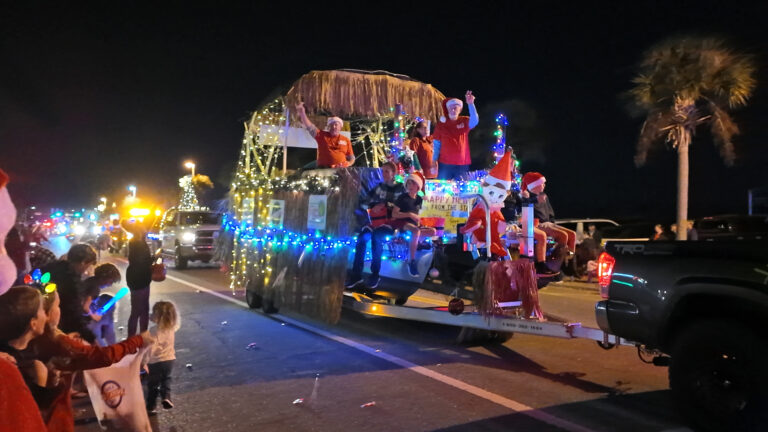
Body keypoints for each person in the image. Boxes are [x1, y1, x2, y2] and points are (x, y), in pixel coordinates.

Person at [10, 284, 150, 432]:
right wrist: (138, 340)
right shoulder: (56, 341)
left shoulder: (23, 345)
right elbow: (100, 356)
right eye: (57, 306)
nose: (60, 310)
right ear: (44, 316)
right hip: (52, 423)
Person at [346, 162, 405, 289]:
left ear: (394, 174)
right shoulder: (378, 187)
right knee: (362, 238)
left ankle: (375, 274)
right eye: (382, 171)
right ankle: (356, 274)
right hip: (375, 222)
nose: (384, 174)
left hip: (390, 223)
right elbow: (364, 203)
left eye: (387, 171)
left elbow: (402, 207)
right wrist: (373, 206)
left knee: (376, 237)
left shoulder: (400, 188)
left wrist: (385, 205)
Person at [41, 243, 98, 342]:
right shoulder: (72, 283)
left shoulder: (49, 268)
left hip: (38, 318)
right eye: (88, 266)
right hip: (56, 326)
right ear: (83, 262)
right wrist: (90, 338)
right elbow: (74, 315)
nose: (86, 270)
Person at [521, 172, 574, 275]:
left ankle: (568, 258)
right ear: (535, 185)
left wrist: (551, 222)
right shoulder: (527, 196)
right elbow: (524, 210)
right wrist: (535, 200)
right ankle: (552, 264)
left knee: (572, 235)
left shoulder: (544, 197)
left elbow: (550, 213)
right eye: (542, 183)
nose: (544, 185)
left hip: (547, 224)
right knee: (563, 235)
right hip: (536, 224)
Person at [392, 172, 434, 277]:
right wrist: (409, 215)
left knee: (433, 231)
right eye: (409, 184)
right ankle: (411, 261)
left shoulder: (419, 200)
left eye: (413, 184)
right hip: (403, 223)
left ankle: (415, 243)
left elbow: (422, 214)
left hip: (416, 225)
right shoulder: (402, 197)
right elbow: (394, 213)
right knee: (416, 231)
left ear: (418, 186)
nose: (410, 186)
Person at [143, 301, 180, 414]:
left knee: (153, 384)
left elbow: (152, 349)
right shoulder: (171, 328)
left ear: (158, 316)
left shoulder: (154, 331)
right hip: (169, 359)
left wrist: (144, 361)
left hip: (155, 361)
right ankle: (166, 397)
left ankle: (151, 406)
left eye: (153, 313)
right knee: (166, 379)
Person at [432, 91, 479, 180]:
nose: (453, 109)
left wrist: (471, 104)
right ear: (448, 109)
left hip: (462, 164)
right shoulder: (441, 124)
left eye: (456, 107)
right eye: (451, 107)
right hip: (444, 164)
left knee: (462, 191)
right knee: (442, 191)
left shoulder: (464, 121)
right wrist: (434, 161)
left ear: (460, 109)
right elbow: (436, 144)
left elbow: (475, 121)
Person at [296, 101, 355, 169]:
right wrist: (302, 113)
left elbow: (351, 157)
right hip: (323, 169)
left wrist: (349, 163)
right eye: (331, 125)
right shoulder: (321, 135)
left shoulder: (346, 140)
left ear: (340, 127)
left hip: (341, 170)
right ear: (329, 127)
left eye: (336, 124)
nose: (334, 127)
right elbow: (310, 127)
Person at [124, 219, 153, 336]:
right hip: (138, 278)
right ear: (139, 230)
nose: (146, 230)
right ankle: (132, 338)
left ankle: (142, 335)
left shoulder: (139, 242)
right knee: (137, 310)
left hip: (142, 277)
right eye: (143, 228)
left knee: (144, 309)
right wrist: (154, 258)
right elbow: (141, 261)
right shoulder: (137, 244)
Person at [82, 263, 122, 346]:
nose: (110, 284)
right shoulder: (94, 288)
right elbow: (85, 307)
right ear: (104, 277)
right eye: (111, 281)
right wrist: (94, 316)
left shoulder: (91, 281)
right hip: (82, 320)